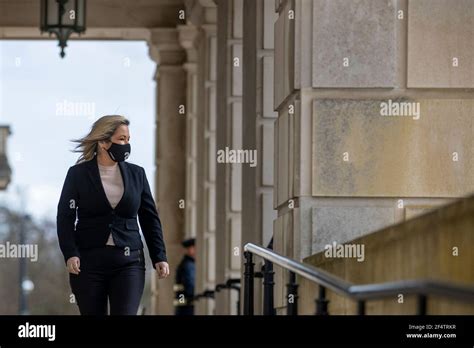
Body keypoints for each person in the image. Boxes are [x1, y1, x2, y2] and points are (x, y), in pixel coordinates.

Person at [57, 115, 169, 315]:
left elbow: (149, 218)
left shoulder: (137, 174)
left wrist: (159, 256)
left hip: (129, 263)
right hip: (88, 263)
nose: (126, 144)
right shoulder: (78, 174)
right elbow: (65, 216)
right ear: (102, 142)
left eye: (128, 139)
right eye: (121, 139)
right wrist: (70, 253)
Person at [174, 238, 196, 315]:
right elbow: (190, 286)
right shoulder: (188, 265)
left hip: (183, 303)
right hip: (187, 304)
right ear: (191, 249)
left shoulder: (186, 263)